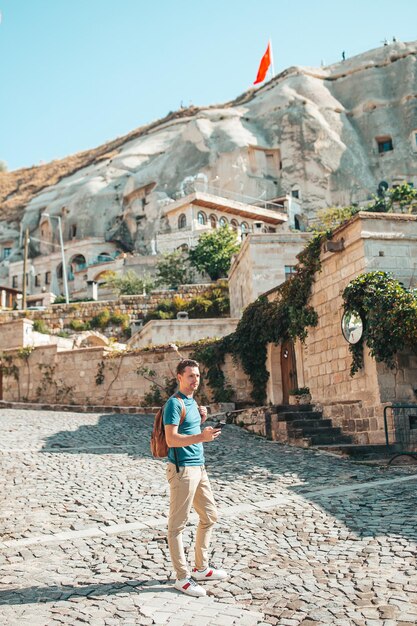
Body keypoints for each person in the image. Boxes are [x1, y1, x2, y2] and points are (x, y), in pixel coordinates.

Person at [163, 358, 228, 597]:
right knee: (177, 526)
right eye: (190, 376)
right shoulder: (174, 403)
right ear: (179, 377)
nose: (195, 380)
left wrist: (201, 422)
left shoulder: (192, 402)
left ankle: (201, 568)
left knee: (210, 516)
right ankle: (182, 578)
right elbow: (171, 440)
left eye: (198, 376)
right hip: (182, 470)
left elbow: (189, 431)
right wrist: (202, 437)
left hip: (199, 468)